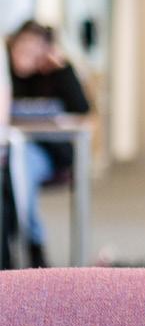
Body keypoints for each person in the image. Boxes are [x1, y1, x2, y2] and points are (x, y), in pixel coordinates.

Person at [5, 21, 92, 267]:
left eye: (34, 49)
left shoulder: (54, 75)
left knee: (20, 170)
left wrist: (63, 70)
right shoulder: (5, 74)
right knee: (15, 172)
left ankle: (32, 241)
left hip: (46, 152)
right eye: (23, 47)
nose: (26, 54)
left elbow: (82, 108)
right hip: (10, 151)